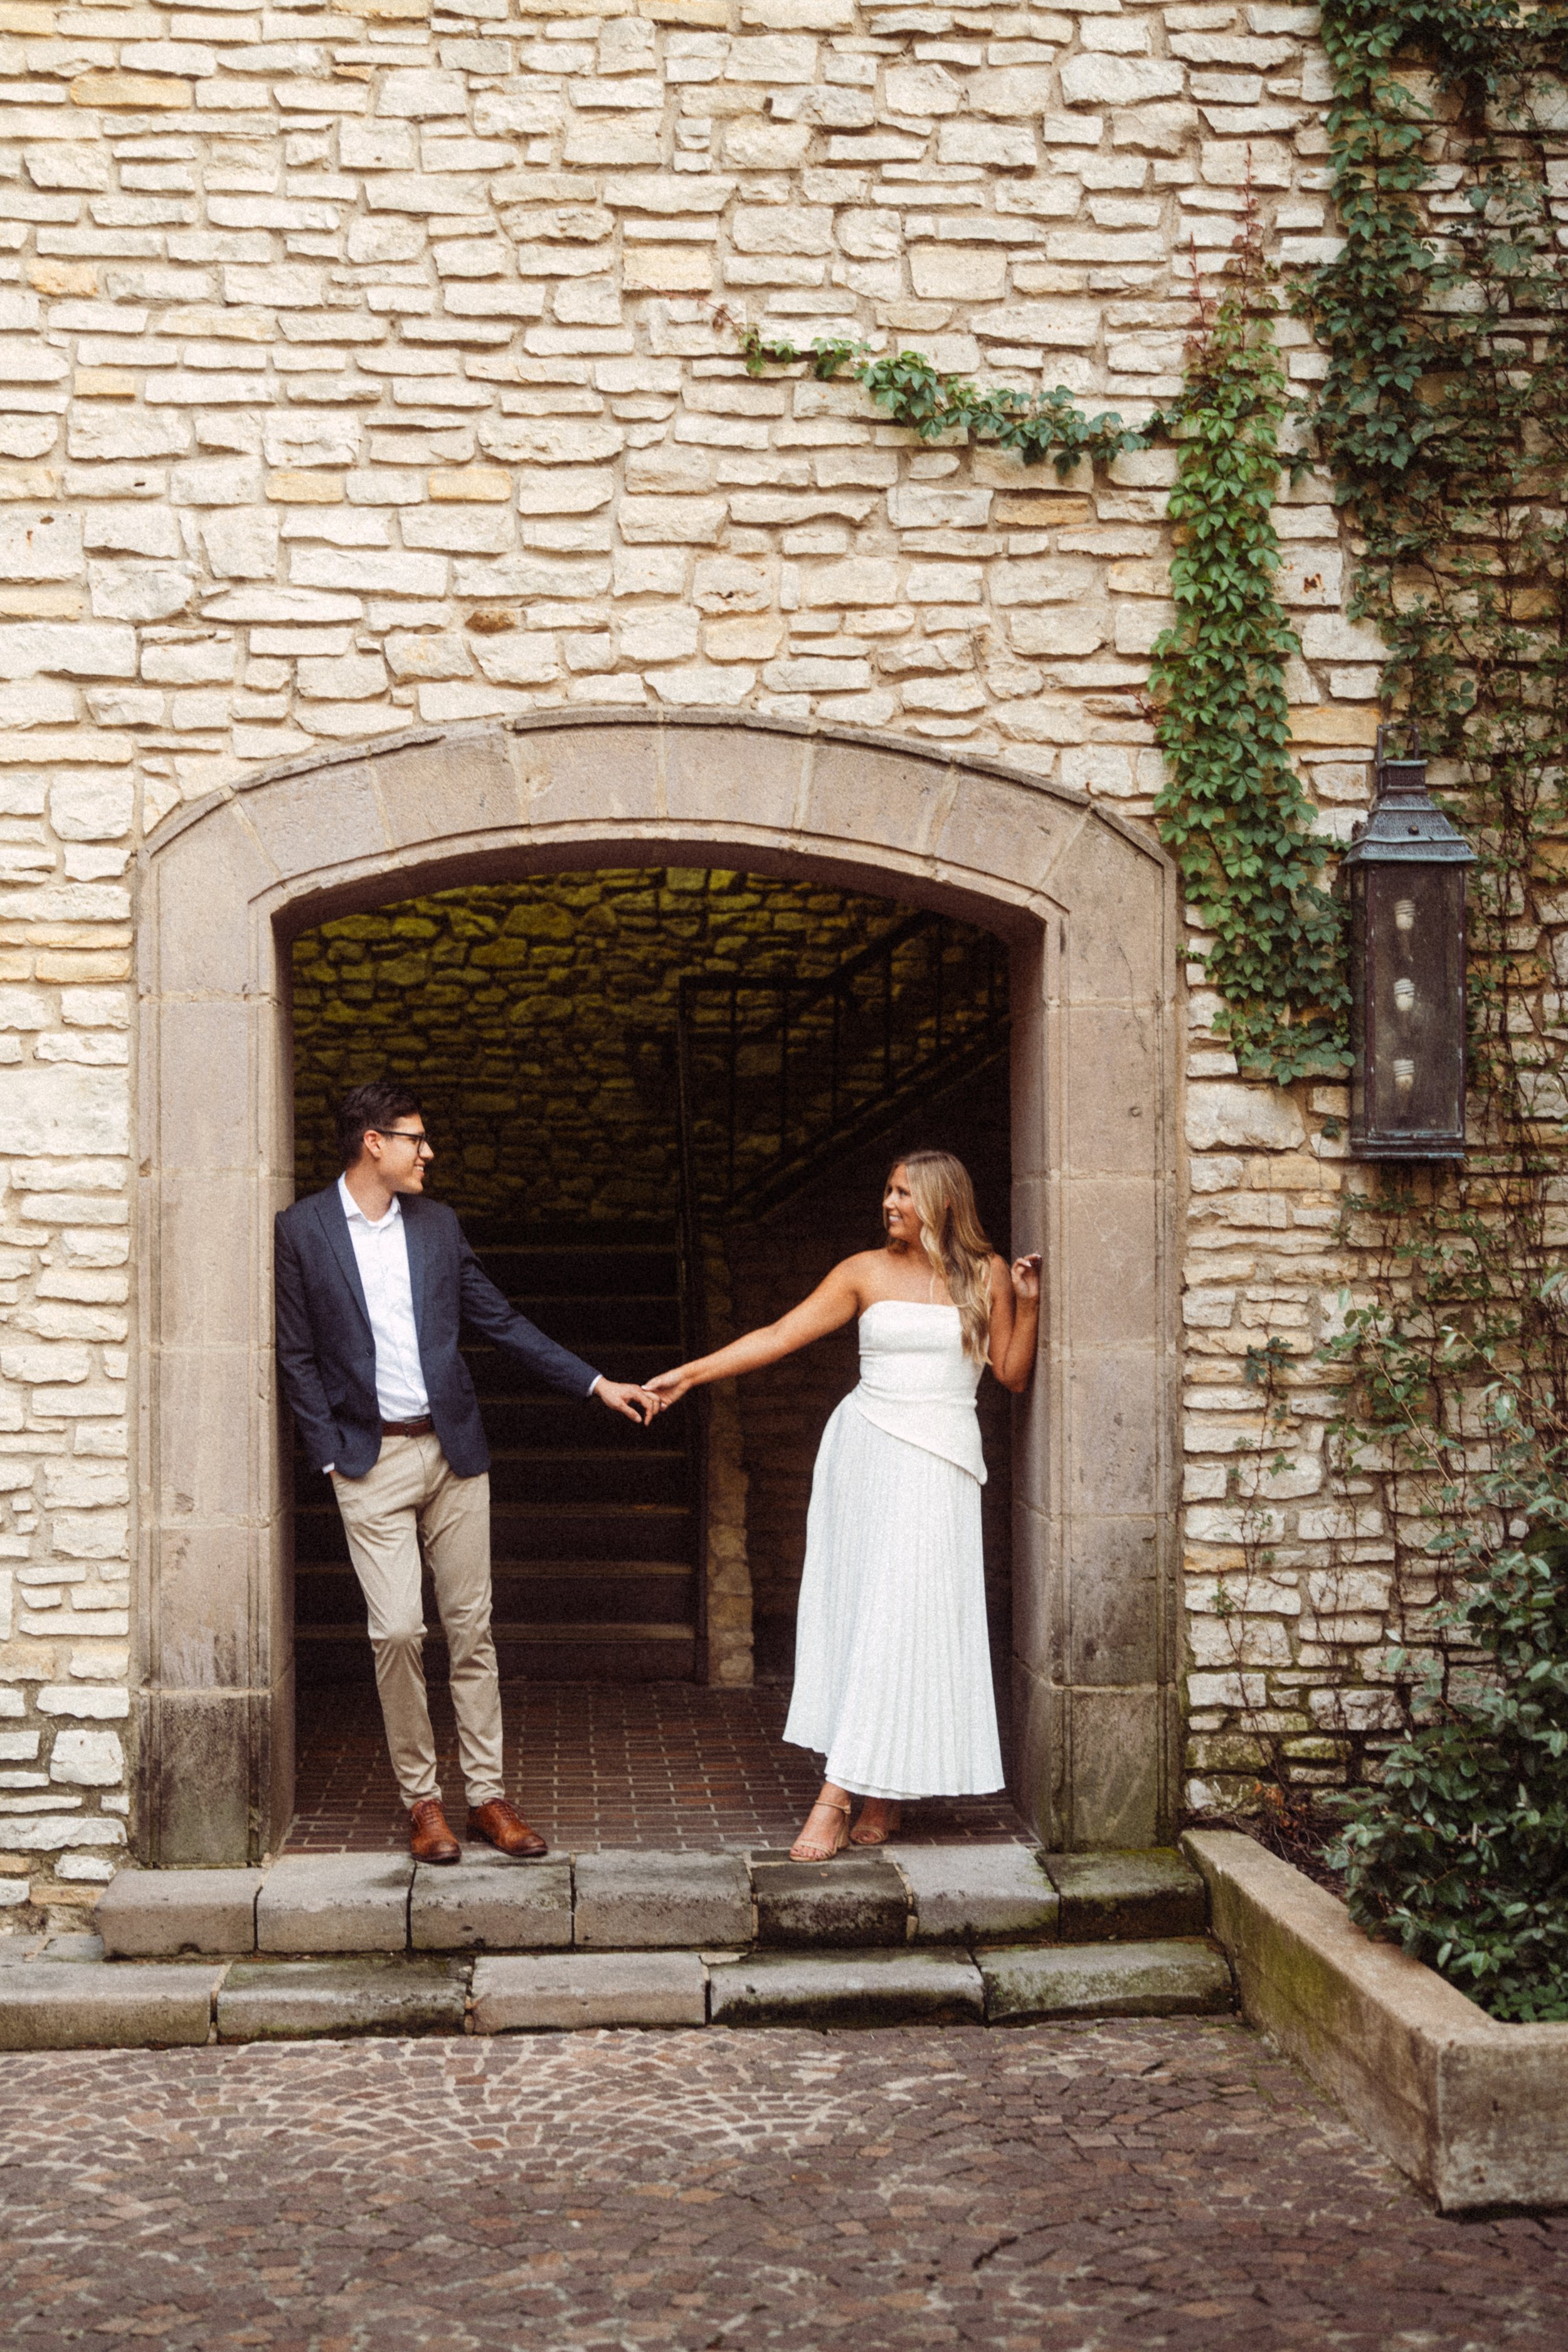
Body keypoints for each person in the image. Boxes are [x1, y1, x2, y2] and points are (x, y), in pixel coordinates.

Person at [274, 1080, 662, 1866]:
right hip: (366, 1459)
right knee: (396, 1632)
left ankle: (486, 1796)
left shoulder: (439, 1227)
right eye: (416, 1139)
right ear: (373, 1143)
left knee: (471, 1631)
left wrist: (597, 1383)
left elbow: (502, 1323)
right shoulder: (302, 1230)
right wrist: (329, 1454)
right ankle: (423, 1801)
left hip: (453, 1454)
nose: (429, 1153)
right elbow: (296, 1353)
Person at [649, 1150, 1039, 1860]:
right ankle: (850, 1793)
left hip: (942, 1463)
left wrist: (1030, 1299)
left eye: (903, 1194)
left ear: (942, 1203)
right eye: (887, 1190)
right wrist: (692, 1375)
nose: (889, 1204)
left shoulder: (985, 1274)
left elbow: (1010, 1375)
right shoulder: (861, 1272)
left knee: (908, 1616)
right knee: (870, 1612)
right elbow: (778, 1335)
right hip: (865, 1453)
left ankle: (866, 1791)